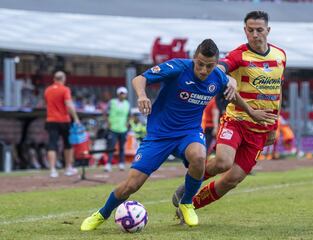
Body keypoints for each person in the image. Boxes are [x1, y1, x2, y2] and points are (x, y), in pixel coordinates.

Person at [80, 39, 238, 230]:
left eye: (210, 66)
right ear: (194, 58)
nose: (204, 70)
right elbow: (139, 79)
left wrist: (242, 96)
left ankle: (186, 202)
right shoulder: (178, 67)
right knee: (132, 185)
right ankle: (101, 214)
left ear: (216, 64)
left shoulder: (217, 77)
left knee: (199, 157)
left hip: (189, 133)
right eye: (200, 64)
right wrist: (142, 95)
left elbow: (230, 83)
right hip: (159, 136)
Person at [172, 11, 285, 211]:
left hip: (260, 130)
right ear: (245, 30)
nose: (255, 34)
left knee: (232, 179)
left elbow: (277, 91)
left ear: (268, 30)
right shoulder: (238, 55)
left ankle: (189, 207)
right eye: (250, 30)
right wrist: (228, 78)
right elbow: (219, 69)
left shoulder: (280, 56)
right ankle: (190, 184)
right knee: (223, 162)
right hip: (236, 121)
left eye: (260, 30)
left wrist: (274, 126)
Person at [44, 71, 80, 178]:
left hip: (51, 120)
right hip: (64, 120)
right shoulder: (65, 89)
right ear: (63, 79)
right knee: (68, 144)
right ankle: (68, 168)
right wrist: (76, 118)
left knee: (52, 144)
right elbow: (69, 105)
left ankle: (52, 170)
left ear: (54, 79)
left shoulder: (47, 90)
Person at [104, 86, 130, 172]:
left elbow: (129, 115)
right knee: (111, 147)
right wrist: (108, 123)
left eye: (124, 94)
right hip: (113, 128)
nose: (123, 95)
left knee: (122, 147)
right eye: (121, 93)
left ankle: (121, 163)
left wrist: (127, 124)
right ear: (118, 94)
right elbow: (106, 113)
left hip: (123, 129)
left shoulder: (127, 103)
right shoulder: (112, 102)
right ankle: (108, 164)